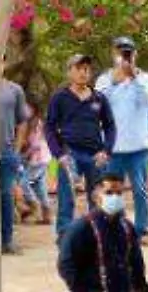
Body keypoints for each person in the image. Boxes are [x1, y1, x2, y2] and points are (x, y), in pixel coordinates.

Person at [57, 173, 147, 292]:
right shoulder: (82, 228)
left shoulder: (127, 227)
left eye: (119, 193)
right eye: (109, 193)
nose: (115, 197)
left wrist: (139, 288)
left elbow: (136, 262)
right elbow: (66, 264)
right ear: (96, 196)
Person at [46, 54, 116, 238]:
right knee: (67, 197)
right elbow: (49, 127)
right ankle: (65, 236)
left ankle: (99, 233)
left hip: (95, 155)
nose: (83, 72)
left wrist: (106, 150)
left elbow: (110, 126)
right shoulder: (59, 98)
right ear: (70, 72)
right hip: (69, 154)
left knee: (98, 196)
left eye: (86, 69)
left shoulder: (99, 98)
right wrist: (58, 154)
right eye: (78, 68)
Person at [96, 36, 148, 245]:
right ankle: (112, 229)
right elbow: (99, 102)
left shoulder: (145, 78)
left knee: (140, 190)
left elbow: (146, 99)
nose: (125, 56)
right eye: (121, 52)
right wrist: (117, 79)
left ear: (135, 55)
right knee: (112, 191)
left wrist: (134, 77)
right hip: (113, 147)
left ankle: (143, 230)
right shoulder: (104, 80)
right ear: (114, 55)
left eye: (128, 52)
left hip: (139, 146)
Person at [0, 73, 28, 255]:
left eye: (1, 59)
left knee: (6, 194)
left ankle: (7, 240)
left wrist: (16, 150)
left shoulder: (14, 90)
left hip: (7, 151)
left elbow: (22, 122)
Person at [18, 103, 52, 226]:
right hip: (41, 159)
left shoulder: (36, 124)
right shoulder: (30, 124)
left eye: (28, 107)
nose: (25, 110)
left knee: (23, 183)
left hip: (38, 159)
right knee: (39, 186)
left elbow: (36, 144)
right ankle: (46, 214)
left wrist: (24, 154)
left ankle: (34, 205)